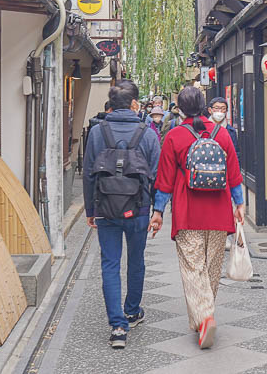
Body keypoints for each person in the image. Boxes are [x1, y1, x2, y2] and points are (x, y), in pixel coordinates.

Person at [150, 86, 244, 350]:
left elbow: (165, 180)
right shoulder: (221, 134)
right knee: (211, 267)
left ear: (179, 108)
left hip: (188, 210)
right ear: (205, 106)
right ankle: (205, 315)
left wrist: (157, 212)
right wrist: (239, 204)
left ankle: (205, 317)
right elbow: (234, 172)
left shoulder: (174, 137)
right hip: (219, 209)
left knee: (193, 268)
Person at [83, 80, 161, 350]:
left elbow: (88, 172)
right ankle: (132, 310)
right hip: (138, 209)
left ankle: (117, 326)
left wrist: (90, 210)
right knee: (136, 259)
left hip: (105, 207)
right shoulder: (147, 132)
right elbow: (156, 175)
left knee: (110, 264)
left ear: (111, 104)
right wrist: (157, 210)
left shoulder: (97, 132)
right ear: (135, 104)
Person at [208, 97, 241, 165]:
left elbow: (235, 154)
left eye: (223, 108)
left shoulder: (231, 131)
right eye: (216, 108)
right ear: (210, 110)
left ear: (226, 111)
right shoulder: (203, 128)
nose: (220, 111)